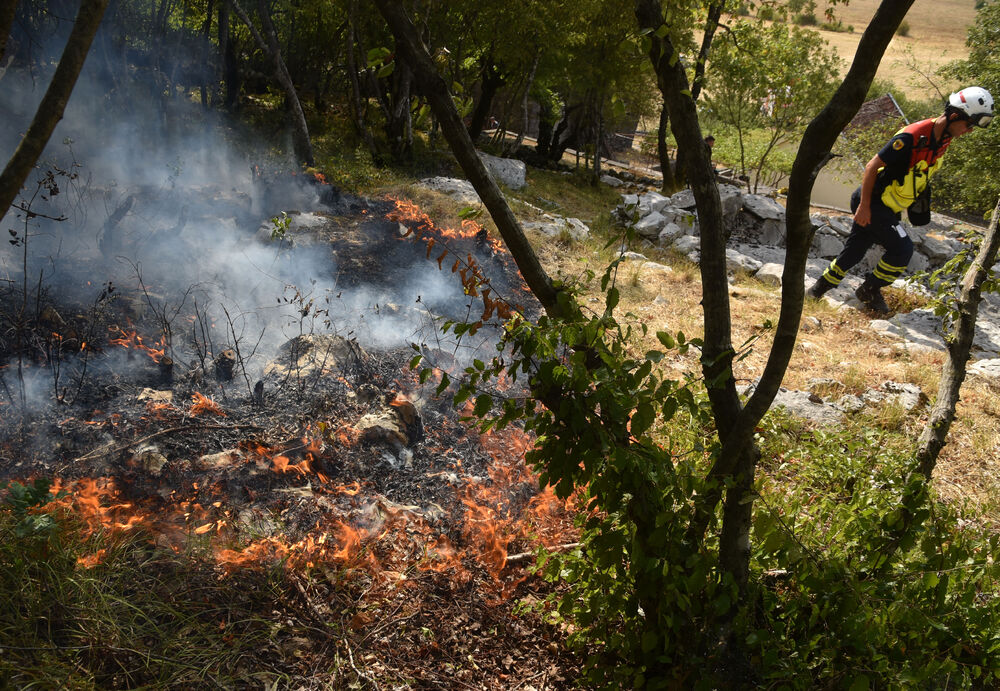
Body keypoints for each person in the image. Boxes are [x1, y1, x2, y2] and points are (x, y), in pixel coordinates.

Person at [807, 87, 994, 313]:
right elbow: (871, 166)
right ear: (955, 116)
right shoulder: (912, 136)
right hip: (872, 202)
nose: (970, 131)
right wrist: (865, 206)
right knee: (902, 249)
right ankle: (869, 289)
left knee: (855, 250)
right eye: (969, 124)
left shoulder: (944, 140)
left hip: (888, 205)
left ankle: (817, 290)